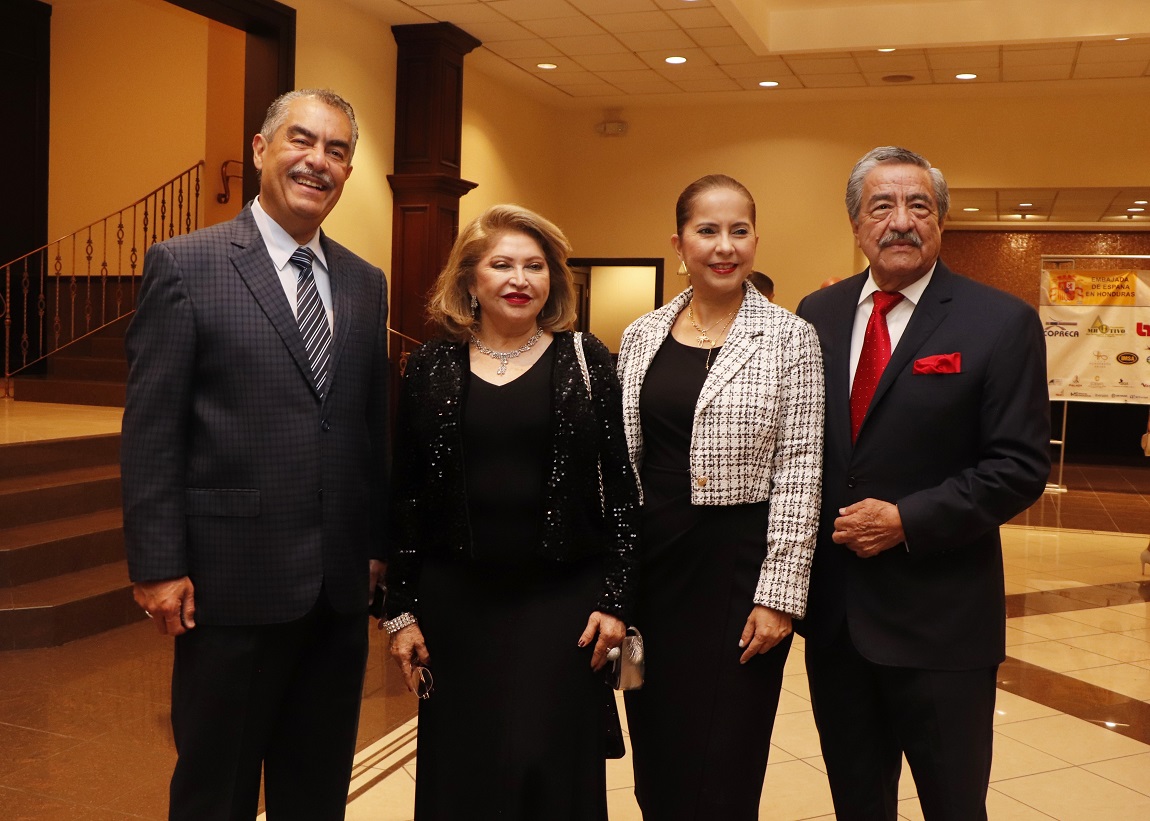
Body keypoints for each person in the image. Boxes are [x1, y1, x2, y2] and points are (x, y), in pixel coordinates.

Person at [121, 89, 389, 821]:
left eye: (337, 150)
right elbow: (152, 429)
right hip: (228, 583)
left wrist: (374, 545)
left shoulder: (365, 282)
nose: (318, 161)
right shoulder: (185, 264)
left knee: (317, 789)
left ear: (348, 171)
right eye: (302, 141)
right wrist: (157, 564)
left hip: (336, 592)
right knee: (217, 789)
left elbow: (369, 424)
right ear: (262, 149)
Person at [794, 146, 1050, 821]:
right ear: (856, 224)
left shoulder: (1000, 321)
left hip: (942, 622)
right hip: (838, 621)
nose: (901, 221)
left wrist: (907, 520)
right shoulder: (815, 315)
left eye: (919, 206)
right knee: (857, 803)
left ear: (941, 221)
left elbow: (1019, 465)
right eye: (882, 206)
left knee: (954, 805)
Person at [383, 204, 641, 821]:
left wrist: (616, 600)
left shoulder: (586, 359)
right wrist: (400, 612)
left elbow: (621, 490)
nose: (520, 279)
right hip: (456, 604)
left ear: (553, 279)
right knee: (464, 769)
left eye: (535, 266)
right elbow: (407, 495)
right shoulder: (430, 365)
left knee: (546, 762)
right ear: (470, 279)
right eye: (502, 265)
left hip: (562, 603)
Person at [616, 174, 825, 820]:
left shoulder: (790, 337)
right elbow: (621, 464)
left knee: (726, 761)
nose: (724, 246)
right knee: (658, 752)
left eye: (739, 230)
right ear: (679, 243)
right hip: (654, 573)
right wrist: (614, 583)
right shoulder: (642, 334)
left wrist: (779, 596)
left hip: (739, 575)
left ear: (756, 240)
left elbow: (801, 470)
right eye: (707, 230)